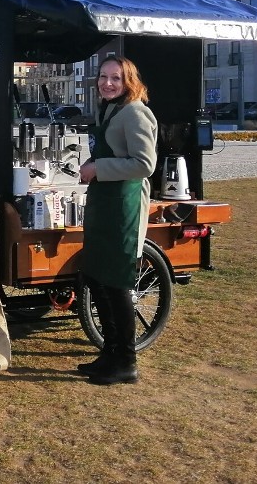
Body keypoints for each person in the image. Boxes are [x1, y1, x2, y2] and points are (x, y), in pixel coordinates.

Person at [77, 56, 158, 386]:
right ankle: (109, 353)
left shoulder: (136, 112)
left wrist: (98, 169)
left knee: (116, 281)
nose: (107, 83)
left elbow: (145, 163)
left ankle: (126, 361)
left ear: (129, 82)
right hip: (103, 203)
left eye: (116, 78)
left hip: (124, 206)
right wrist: (90, 164)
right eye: (103, 76)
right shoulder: (108, 110)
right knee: (96, 277)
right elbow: (110, 152)